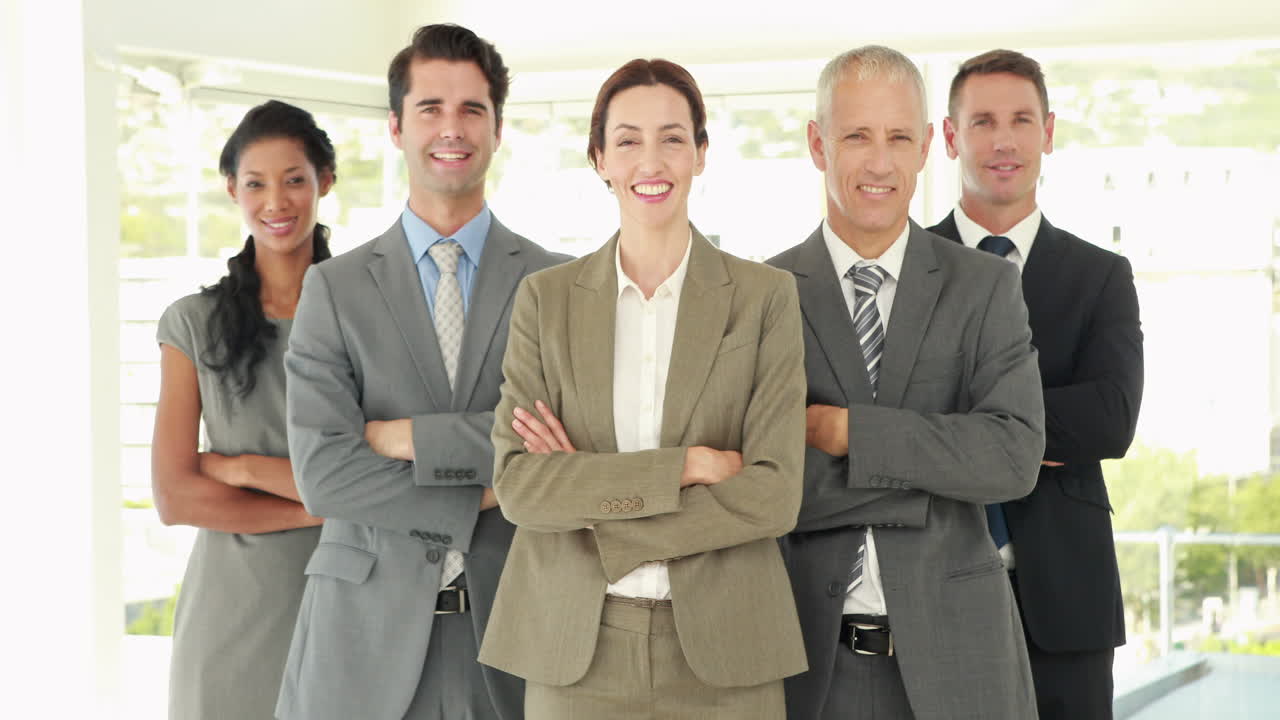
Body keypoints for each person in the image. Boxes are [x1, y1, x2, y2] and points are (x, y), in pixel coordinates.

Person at [476, 58, 808, 720]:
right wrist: (687, 467)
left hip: (728, 654)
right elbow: (520, 487)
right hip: (576, 650)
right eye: (627, 139)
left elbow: (773, 496)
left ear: (701, 154)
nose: (649, 161)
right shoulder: (545, 301)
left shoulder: (766, 298)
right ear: (599, 157)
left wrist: (600, 511)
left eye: (672, 138)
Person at [276, 24, 566, 720]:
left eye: (472, 109)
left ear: (497, 130)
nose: (452, 127)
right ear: (396, 128)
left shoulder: (557, 285)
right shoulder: (333, 289)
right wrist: (489, 491)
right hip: (360, 642)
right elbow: (324, 475)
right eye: (431, 107)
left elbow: (566, 447)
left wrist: (401, 437)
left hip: (516, 635)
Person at [767, 46, 1044, 719]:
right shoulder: (761, 297)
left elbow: (1011, 458)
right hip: (807, 664)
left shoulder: (985, 286)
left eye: (897, 138)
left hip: (963, 662)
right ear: (817, 144)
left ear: (925, 147)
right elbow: (765, 484)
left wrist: (846, 432)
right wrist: (930, 481)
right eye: (856, 136)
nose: (880, 162)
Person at [928, 48, 1143, 720]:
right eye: (983, 120)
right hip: (932, 586)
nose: (1003, 139)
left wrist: (959, 432)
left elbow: (1109, 419)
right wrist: (1032, 430)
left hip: (1067, 600)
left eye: (1021, 120)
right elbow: (890, 416)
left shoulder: (1099, 275)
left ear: (1047, 134)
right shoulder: (907, 267)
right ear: (951, 137)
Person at [151, 99, 334, 720]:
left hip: (344, 605)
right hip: (228, 620)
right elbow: (176, 498)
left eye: (294, 180)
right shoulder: (191, 323)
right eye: (256, 183)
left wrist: (248, 469)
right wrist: (324, 507)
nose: (276, 202)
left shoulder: (367, 319)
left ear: (324, 183)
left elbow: (384, 477)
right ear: (232, 190)